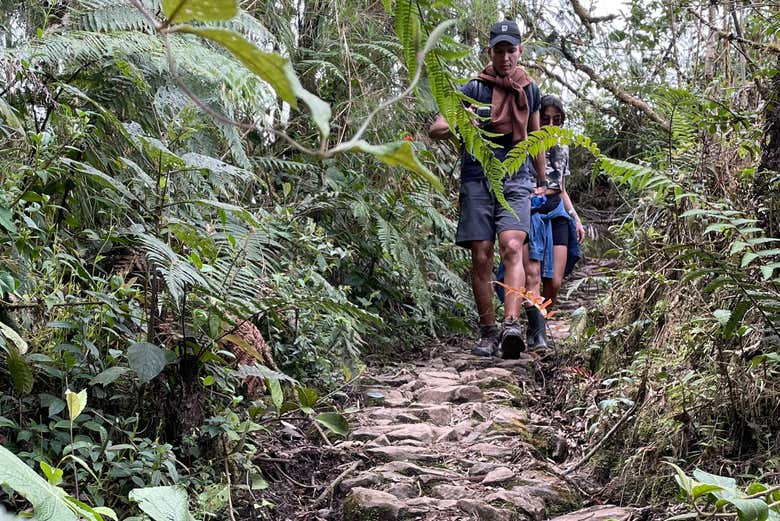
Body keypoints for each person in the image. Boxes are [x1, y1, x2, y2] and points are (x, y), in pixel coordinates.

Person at [428, 19, 547, 358]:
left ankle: (512, 324)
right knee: (481, 253)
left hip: (516, 179)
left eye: (511, 50)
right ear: (490, 52)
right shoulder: (473, 89)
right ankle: (488, 332)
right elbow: (435, 127)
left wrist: (542, 182)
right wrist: (460, 121)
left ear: (520, 51)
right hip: (476, 177)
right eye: (499, 50)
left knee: (512, 245)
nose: (505, 57)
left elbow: (536, 140)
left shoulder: (530, 89)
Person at [522, 94, 585, 349]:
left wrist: (575, 217)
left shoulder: (563, 145)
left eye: (556, 120)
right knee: (533, 276)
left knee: (555, 281)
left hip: (557, 211)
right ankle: (538, 334)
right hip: (533, 211)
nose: (550, 124)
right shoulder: (525, 143)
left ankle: (541, 322)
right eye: (545, 118)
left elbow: (562, 187)